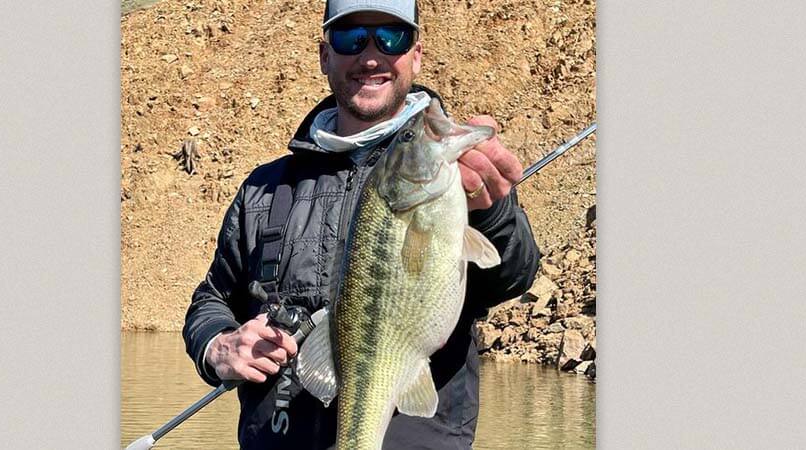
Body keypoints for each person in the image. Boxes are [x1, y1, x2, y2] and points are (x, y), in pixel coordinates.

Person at [182, 1, 541, 448]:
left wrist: (491, 211)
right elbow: (211, 298)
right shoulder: (263, 190)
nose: (370, 56)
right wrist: (217, 346)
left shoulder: (460, 178)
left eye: (391, 38)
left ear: (416, 54)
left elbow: (512, 274)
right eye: (350, 39)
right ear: (324, 55)